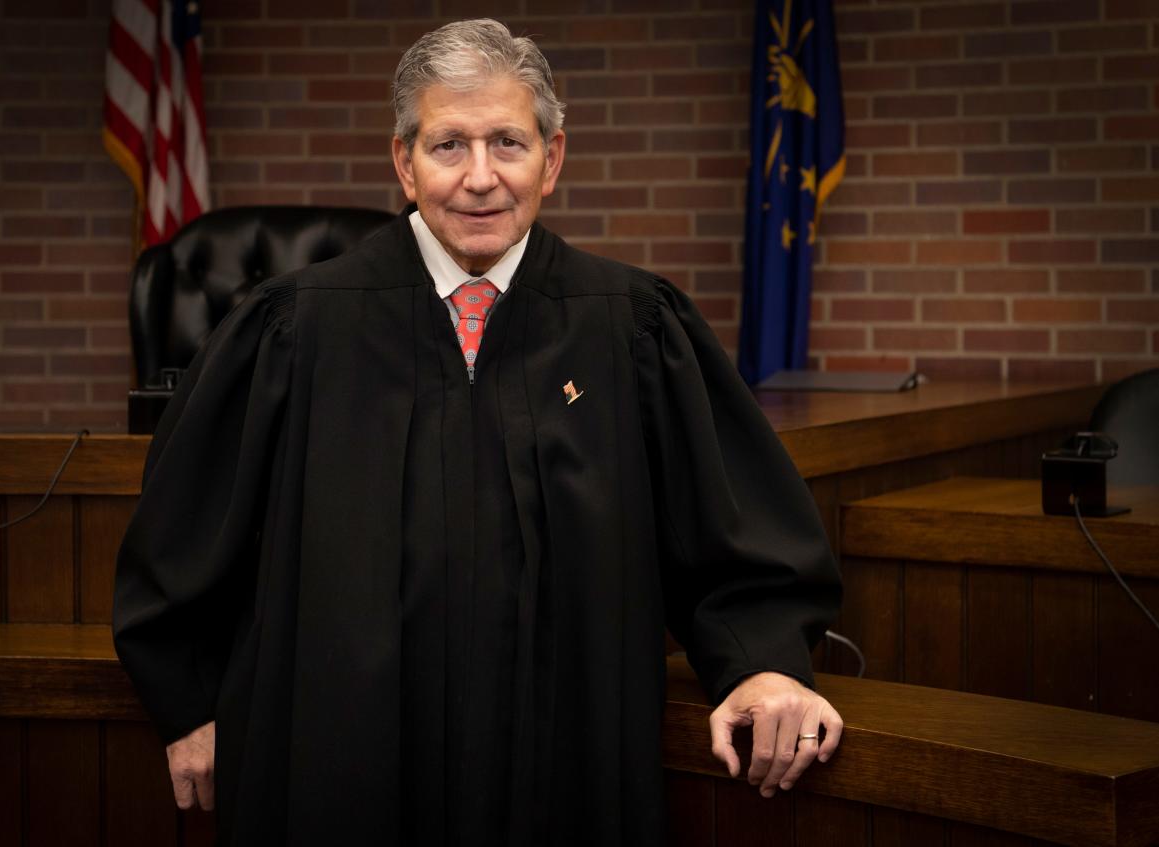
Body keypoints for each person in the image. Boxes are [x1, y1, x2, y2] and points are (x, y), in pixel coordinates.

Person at [113, 18, 843, 846]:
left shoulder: (632, 329)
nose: (480, 178)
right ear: (404, 161)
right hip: (335, 763)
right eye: (448, 145)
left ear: (553, 158)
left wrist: (763, 662)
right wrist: (190, 701)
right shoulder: (293, 329)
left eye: (508, 142)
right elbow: (183, 542)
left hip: (566, 768)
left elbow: (735, 534)